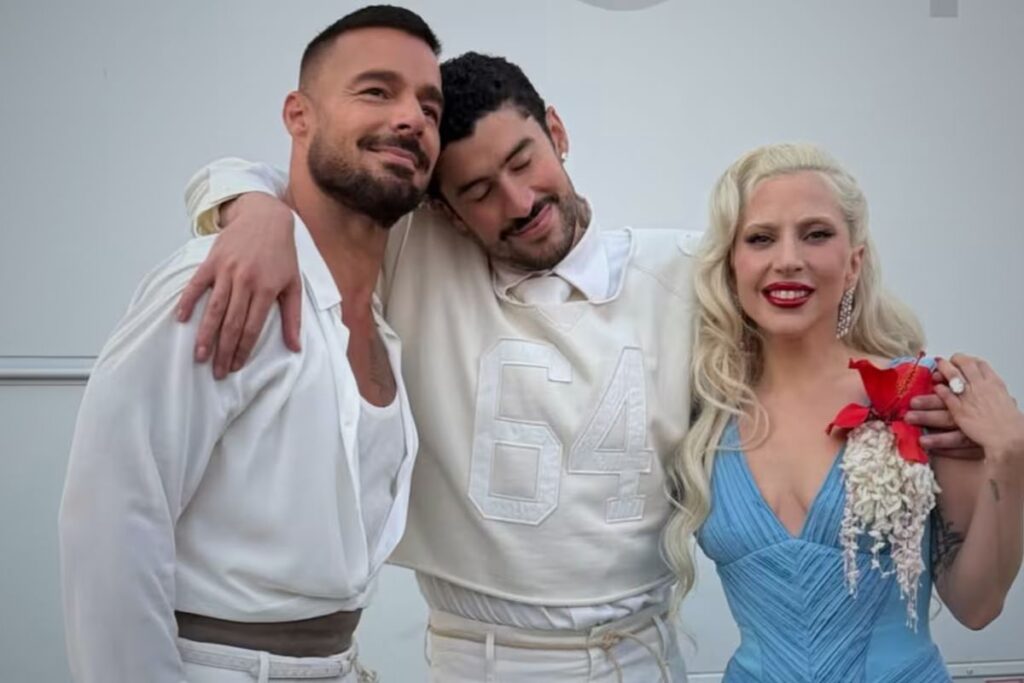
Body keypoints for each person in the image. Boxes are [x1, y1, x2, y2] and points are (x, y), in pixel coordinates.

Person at [175, 55, 972, 680]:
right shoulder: (413, 256)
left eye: (525, 160)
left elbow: (810, 318)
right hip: (478, 656)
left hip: (641, 652)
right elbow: (279, 178)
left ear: (556, 129)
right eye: (479, 190)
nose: (519, 201)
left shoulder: (690, 272)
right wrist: (253, 208)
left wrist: (937, 410)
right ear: (443, 209)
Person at [58, 6, 444, 682]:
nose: (412, 117)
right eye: (376, 91)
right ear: (299, 115)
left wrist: (249, 199)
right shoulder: (224, 283)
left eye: (430, 107)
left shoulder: (385, 312)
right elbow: (111, 530)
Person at [664, 142, 1024, 681]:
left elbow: (977, 606)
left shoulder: (920, 394)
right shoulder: (701, 413)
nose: (789, 258)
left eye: (816, 234)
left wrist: (1010, 455)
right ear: (733, 264)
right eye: (761, 238)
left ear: (853, 263)